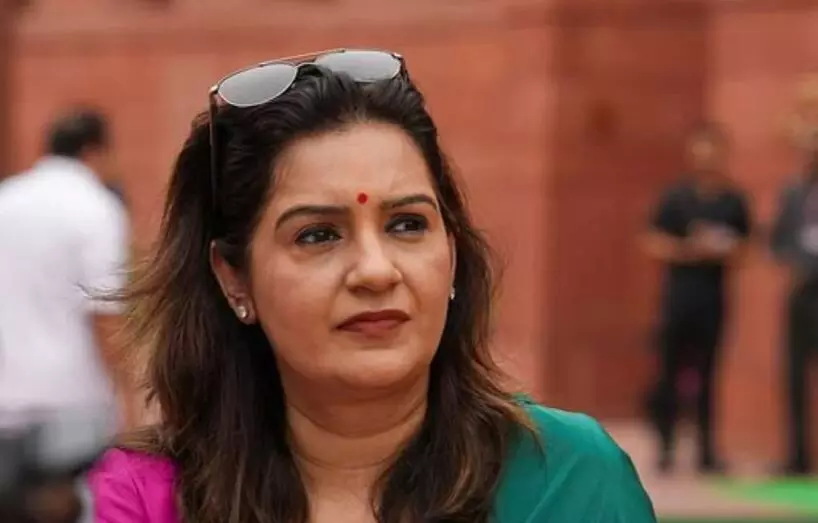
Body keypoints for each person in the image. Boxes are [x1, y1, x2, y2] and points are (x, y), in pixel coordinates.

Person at [89, 49, 656, 523]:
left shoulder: (568, 481)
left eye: (407, 224)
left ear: (452, 252)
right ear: (234, 278)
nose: (376, 270)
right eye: (318, 235)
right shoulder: (143, 500)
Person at [0, 108, 134, 431]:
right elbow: (105, 311)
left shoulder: (6, 200)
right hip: (74, 400)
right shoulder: (96, 207)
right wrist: (128, 397)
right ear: (93, 151)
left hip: (7, 401)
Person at [643, 122, 752, 474]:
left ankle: (706, 451)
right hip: (678, 297)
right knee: (669, 370)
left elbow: (748, 248)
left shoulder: (733, 201)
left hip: (712, 297)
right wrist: (687, 249)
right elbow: (652, 240)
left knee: (708, 373)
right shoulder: (676, 198)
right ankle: (665, 446)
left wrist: (724, 250)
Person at [769, 77, 818, 476]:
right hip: (801, 291)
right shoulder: (793, 192)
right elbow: (778, 241)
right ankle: (797, 456)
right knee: (794, 376)